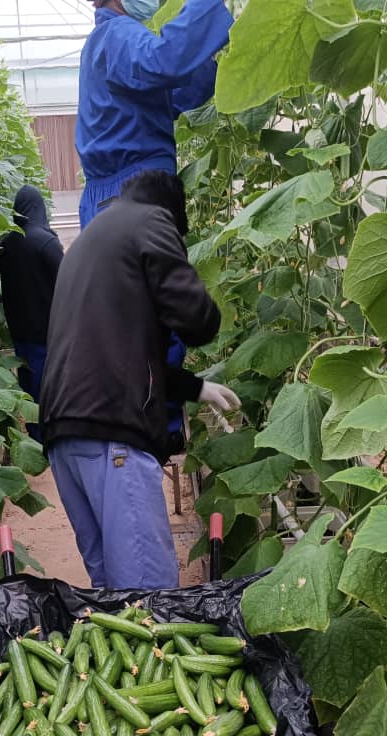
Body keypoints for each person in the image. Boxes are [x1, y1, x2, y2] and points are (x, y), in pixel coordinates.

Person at [40, 171, 240, 591]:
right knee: (148, 597)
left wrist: (196, 388)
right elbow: (198, 321)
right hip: (113, 436)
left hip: (66, 437)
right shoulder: (151, 221)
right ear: (172, 211)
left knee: (114, 601)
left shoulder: (92, 238)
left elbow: (115, 354)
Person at [76, 0, 233, 453]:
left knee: (135, 317)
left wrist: (220, 49)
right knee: (145, 316)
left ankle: (149, 422)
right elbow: (167, 59)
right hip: (131, 188)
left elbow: (185, 89)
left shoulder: (113, 43)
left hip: (117, 193)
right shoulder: (118, 36)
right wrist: (209, 7)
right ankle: (144, 426)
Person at [76, 0, 233, 229]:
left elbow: (169, 100)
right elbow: (164, 60)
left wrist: (211, 60)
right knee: (150, 263)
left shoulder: (101, 39)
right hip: (135, 192)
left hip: (112, 198)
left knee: (121, 264)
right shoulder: (118, 32)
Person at [0, 185, 64, 441]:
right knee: (52, 383)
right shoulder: (46, 242)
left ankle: (37, 437)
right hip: (48, 330)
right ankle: (55, 435)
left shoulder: (6, 243)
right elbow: (66, 282)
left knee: (29, 383)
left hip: (19, 328)